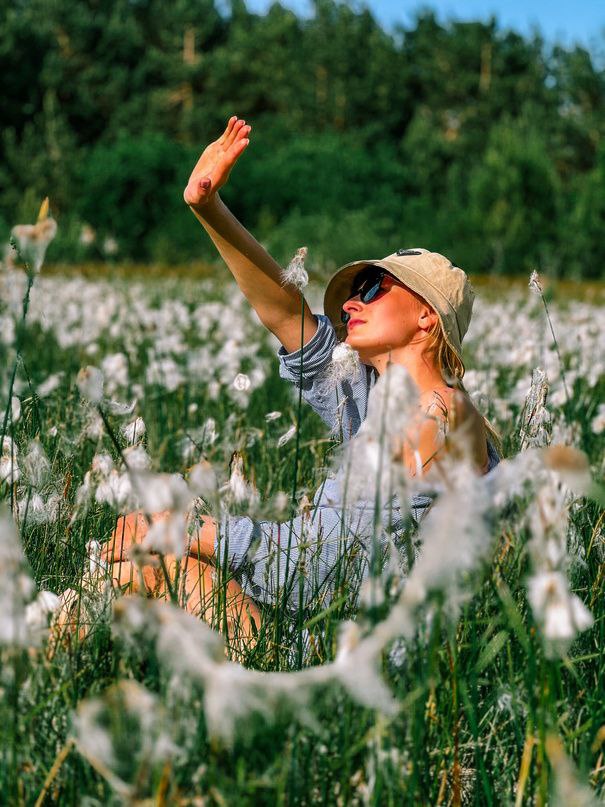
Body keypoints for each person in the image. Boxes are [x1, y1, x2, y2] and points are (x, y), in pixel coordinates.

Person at [100, 116, 502, 647]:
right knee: (135, 564)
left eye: (376, 286)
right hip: (319, 633)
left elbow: (327, 566)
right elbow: (286, 314)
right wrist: (208, 207)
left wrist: (193, 532)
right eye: (355, 288)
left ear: (428, 317)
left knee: (146, 566)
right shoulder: (375, 397)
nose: (354, 299)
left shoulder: (440, 418)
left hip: (341, 662)